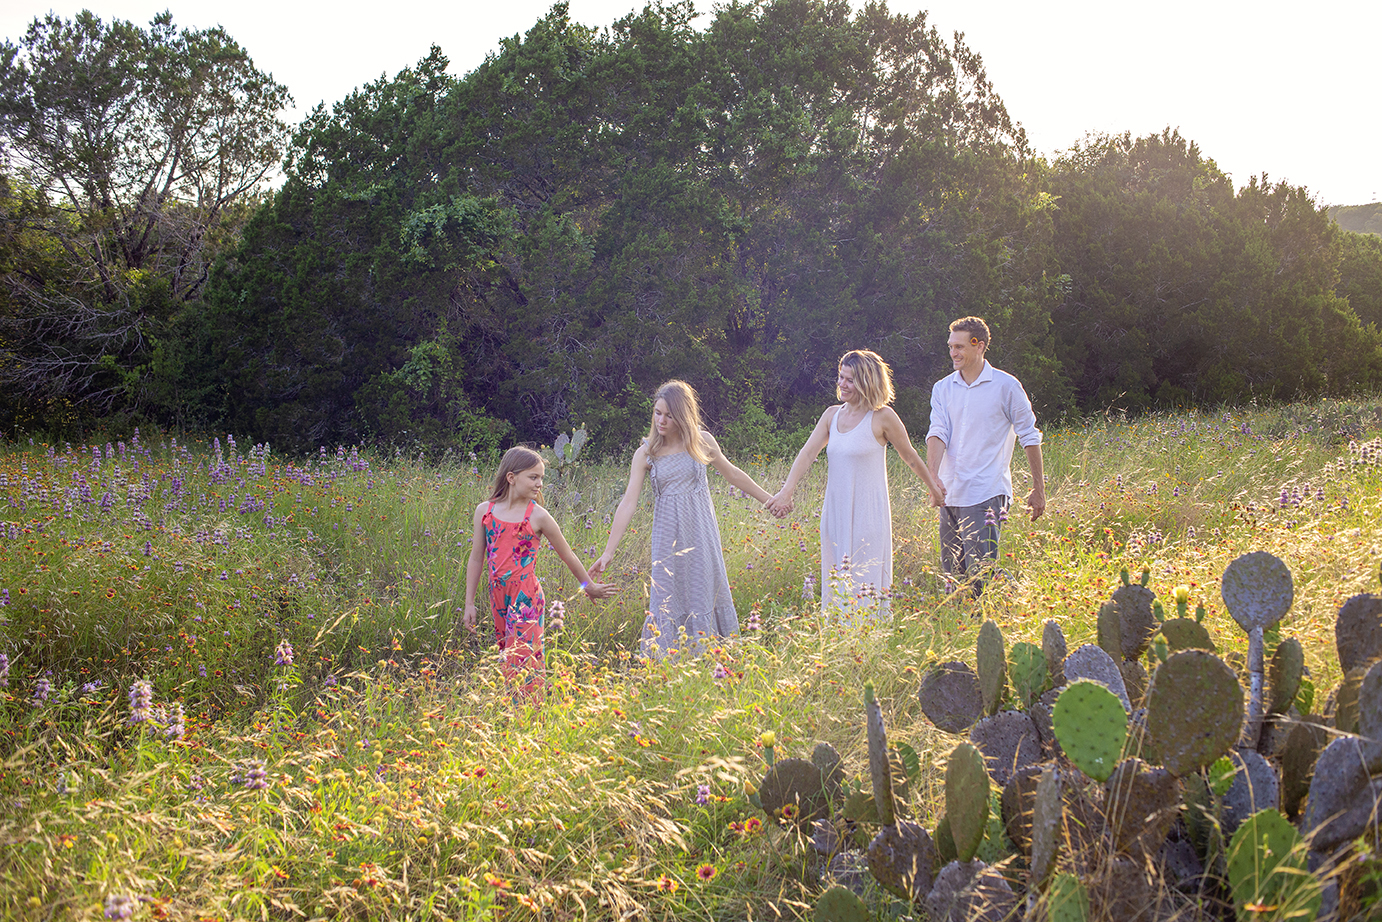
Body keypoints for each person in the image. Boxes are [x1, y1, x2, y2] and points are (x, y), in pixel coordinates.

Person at [590, 380, 775, 657]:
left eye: (669, 414)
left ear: (683, 414)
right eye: (657, 413)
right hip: (667, 537)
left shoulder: (701, 442)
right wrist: (608, 552)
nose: (661, 420)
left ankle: (709, 657)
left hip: (701, 533)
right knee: (667, 598)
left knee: (703, 592)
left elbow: (733, 474)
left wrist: (769, 500)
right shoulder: (646, 453)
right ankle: (668, 664)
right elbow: (628, 503)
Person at [769, 350, 946, 617]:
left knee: (866, 581)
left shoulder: (882, 417)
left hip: (868, 514)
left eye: (849, 380)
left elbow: (909, 456)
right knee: (837, 580)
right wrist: (786, 491)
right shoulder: (831, 415)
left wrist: (933, 487)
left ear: (867, 382)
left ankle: (868, 640)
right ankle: (837, 640)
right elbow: (807, 454)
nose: (841, 384)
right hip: (836, 513)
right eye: (840, 377)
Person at [463, 446, 616, 699]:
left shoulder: (538, 516)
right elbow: (476, 558)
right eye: (533, 477)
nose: (540, 484)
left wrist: (586, 585)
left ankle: (530, 718)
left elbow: (568, 555)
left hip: (526, 597)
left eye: (542, 478)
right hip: (498, 596)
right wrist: (469, 603)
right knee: (506, 657)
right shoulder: (485, 511)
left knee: (523, 664)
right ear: (511, 478)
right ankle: (514, 717)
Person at [926, 316, 1045, 596]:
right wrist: (933, 478)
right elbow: (937, 432)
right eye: (950, 346)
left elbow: (1029, 436)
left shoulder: (1006, 386)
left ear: (979, 346)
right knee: (953, 578)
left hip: (985, 491)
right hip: (949, 492)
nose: (953, 353)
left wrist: (1038, 489)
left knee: (981, 573)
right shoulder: (943, 388)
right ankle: (960, 632)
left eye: (959, 346)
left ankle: (1017, 601)